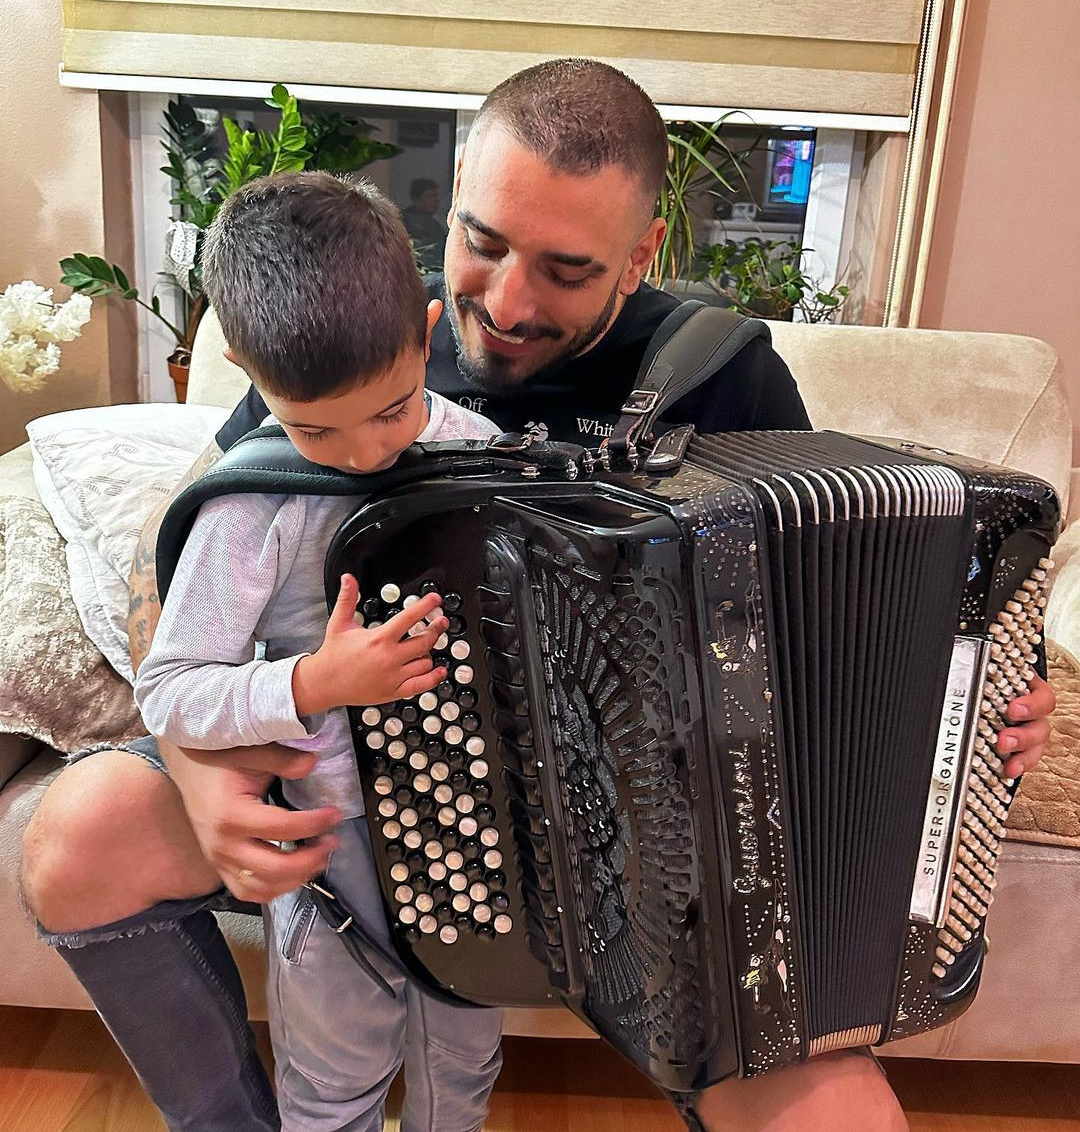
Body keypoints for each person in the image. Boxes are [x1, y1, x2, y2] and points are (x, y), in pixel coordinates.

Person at [21, 59, 1055, 1132]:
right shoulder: (362, 332)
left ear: (643, 253)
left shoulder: (721, 376)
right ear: (455, 198)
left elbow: (843, 603)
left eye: (567, 269)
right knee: (78, 839)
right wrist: (198, 769)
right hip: (344, 785)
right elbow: (179, 558)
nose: (509, 302)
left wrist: (974, 703)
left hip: (641, 842)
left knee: (843, 1124)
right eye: (483, 242)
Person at [134, 170, 504, 1129]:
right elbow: (169, 690)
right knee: (333, 1083)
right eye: (313, 427)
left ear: (427, 332)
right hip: (332, 860)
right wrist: (312, 681)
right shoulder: (252, 501)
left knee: (464, 1066)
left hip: (480, 838)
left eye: (390, 409)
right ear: (245, 373)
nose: (363, 454)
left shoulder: (485, 451)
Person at [401, 177, 446, 266]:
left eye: (436, 196)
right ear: (416, 200)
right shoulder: (408, 221)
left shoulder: (433, 224)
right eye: (429, 196)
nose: (435, 200)